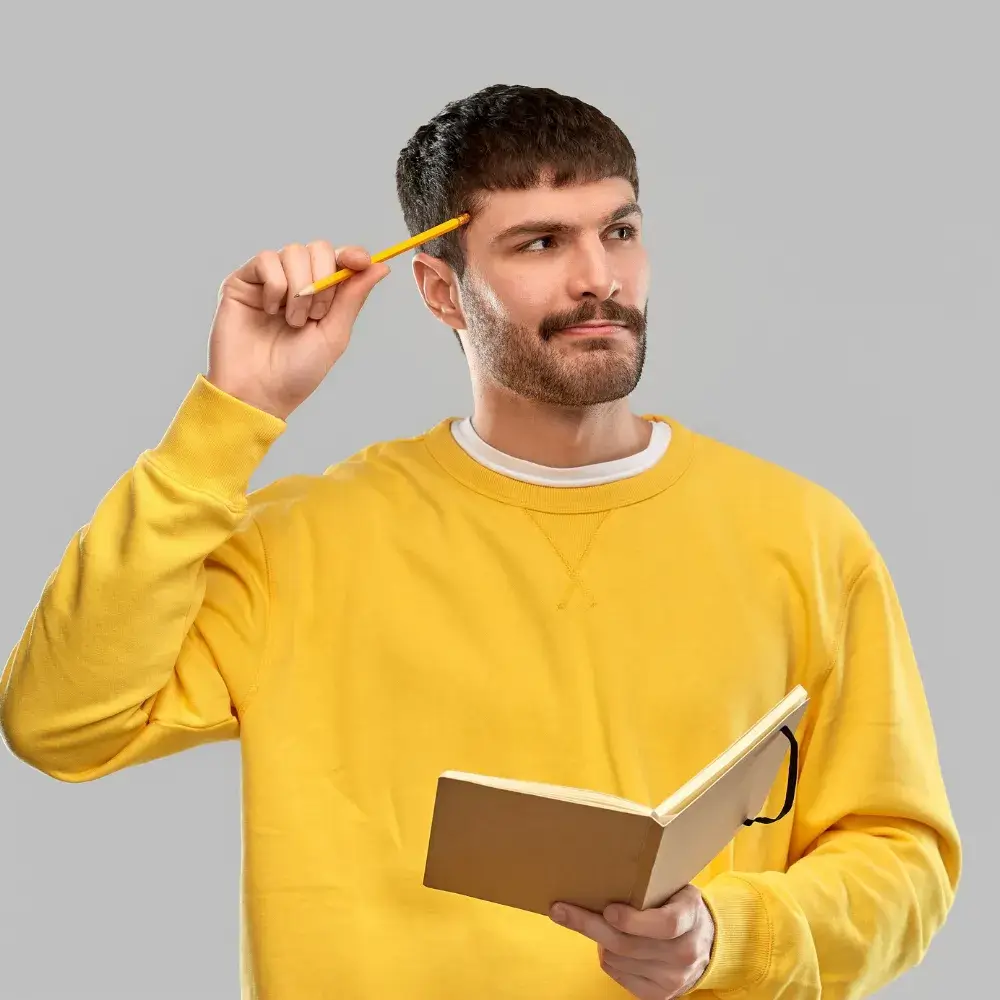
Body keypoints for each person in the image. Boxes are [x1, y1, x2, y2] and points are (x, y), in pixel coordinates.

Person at [0, 84, 960, 999]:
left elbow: (903, 859)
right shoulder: (303, 543)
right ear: (440, 290)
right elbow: (63, 723)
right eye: (541, 242)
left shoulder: (804, 535)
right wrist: (232, 416)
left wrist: (728, 935)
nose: (599, 278)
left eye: (618, 230)